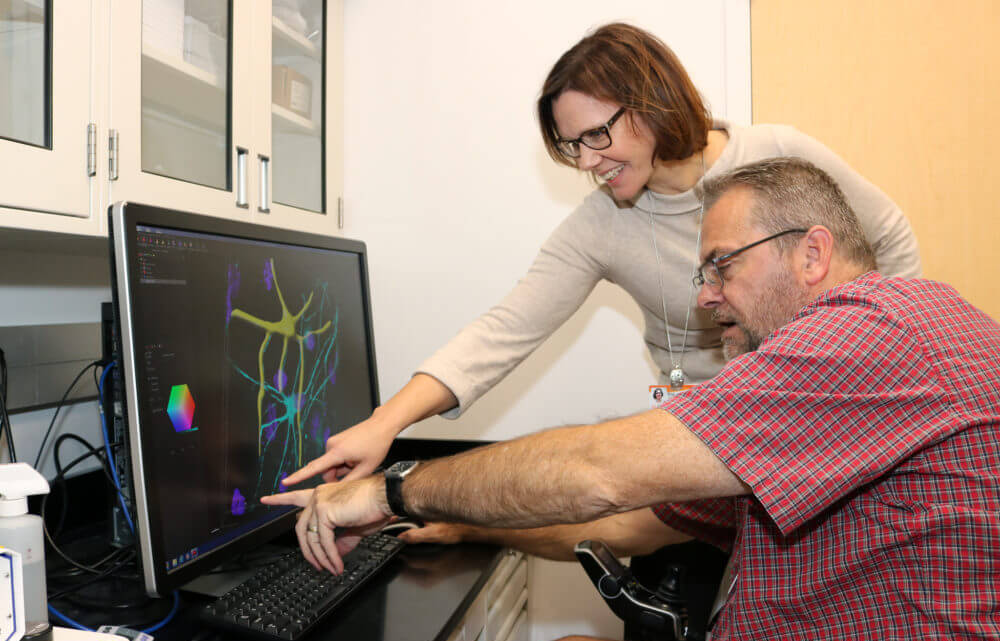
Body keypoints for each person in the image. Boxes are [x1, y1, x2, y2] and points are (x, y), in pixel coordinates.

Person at [264, 158, 1000, 641]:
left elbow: (598, 473)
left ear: (812, 253)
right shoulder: (873, 358)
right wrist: (458, 521)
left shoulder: (864, 334)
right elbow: (626, 520)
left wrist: (391, 487)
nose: (705, 296)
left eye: (722, 266)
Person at [286, 22, 921, 487]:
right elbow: (504, 331)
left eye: (597, 134)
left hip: (816, 420)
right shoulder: (603, 223)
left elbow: (889, 237)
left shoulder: (777, 153)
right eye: (572, 146)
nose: (587, 162)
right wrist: (384, 424)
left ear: (652, 103)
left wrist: (876, 373)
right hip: (709, 444)